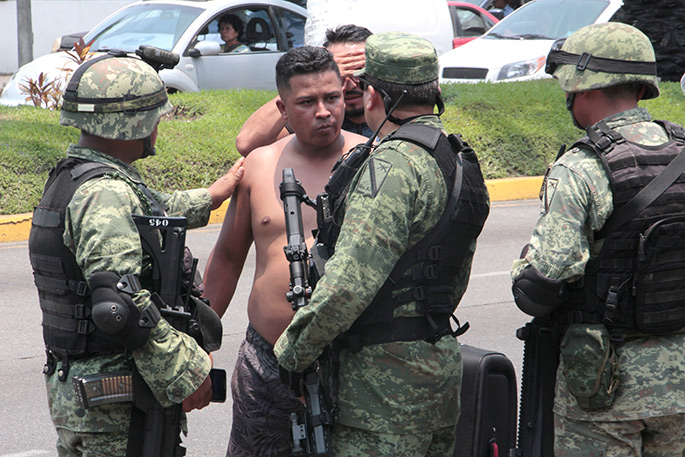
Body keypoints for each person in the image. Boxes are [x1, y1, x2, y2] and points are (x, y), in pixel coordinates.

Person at [274, 31, 490, 455]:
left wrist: (291, 354)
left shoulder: (391, 167)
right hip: (439, 372)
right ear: (435, 92)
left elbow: (348, 284)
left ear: (373, 96)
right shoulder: (458, 159)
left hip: (382, 392)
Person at [28, 53, 245, 456]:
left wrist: (214, 195)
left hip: (89, 400)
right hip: (116, 407)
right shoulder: (104, 192)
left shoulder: (78, 176)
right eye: (156, 116)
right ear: (135, 123)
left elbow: (149, 210)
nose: (160, 125)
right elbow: (119, 307)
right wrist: (187, 371)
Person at [511, 22, 685, 456]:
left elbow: (541, 286)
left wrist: (523, 265)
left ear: (582, 86)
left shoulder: (582, 167)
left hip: (605, 389)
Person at [202, 46, 366, 456]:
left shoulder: (374, 159)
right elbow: (226, 260)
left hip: (354, 360)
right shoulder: (259, 166)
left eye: (332, 98)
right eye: (307, 102)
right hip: (266, 361)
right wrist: (198, 342)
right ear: (283, 108)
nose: (324, 111)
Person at [234, 24, 373, 156]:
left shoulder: (391, 118)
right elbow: (246, 144)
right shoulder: (311, 118)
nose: (350, 86)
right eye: (340, 75)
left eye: (359, 73)